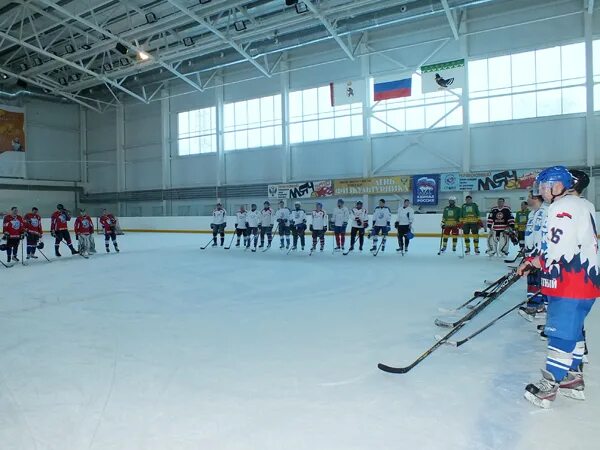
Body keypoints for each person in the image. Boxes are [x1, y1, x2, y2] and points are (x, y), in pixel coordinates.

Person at [517, 166, 599, 409]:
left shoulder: (561, 208)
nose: (542, 191)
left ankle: (550, 386)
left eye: (546, 186)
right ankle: (574, 378)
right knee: (573, 329)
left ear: (563, 185)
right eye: (540, 187)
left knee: (560, 333)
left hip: (569, 281)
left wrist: (535, 261)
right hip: (587, 282)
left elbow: (560, 249)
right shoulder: (584, 204)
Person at [518, 191, 548, 321]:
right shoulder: (532, 214)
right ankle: (533, 305)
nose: (527, 200)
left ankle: (539, 306)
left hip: (540, 254)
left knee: (541, 280)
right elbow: (531, 233)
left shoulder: (546, 211)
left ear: (535, 198)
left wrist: (539, 252)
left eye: (529, 197)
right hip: (530, 252)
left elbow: (545, 235)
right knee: (532, 279)